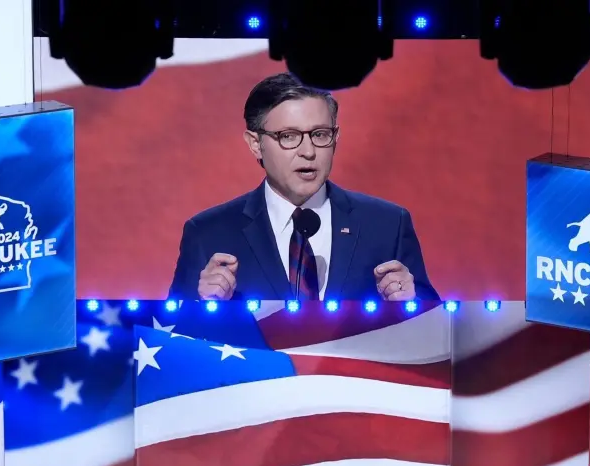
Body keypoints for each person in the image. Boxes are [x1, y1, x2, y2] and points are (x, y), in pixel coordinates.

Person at [168, 72, 439, 303]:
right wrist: (199, 305)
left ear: (336, 137)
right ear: (255, 144)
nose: (308, 151)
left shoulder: (387, 226)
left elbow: (434, 331)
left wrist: (413, 304)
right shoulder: (208, 234)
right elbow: (170, 337)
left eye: (320, 134)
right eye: (288, 136)